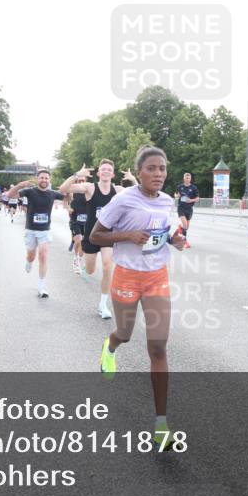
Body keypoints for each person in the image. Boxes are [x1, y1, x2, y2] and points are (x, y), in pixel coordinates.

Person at [90, 146, 186, 450]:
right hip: (127, 276)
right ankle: (110, 345)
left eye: (162, 168)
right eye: (151, 168)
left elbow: (165, 233)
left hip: (157, 276)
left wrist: (175, 239)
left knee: (158, 346)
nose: (158, 174)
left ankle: (161, 426)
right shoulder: (124, 200)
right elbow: (95, 236)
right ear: (139, 171)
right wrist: (127, 235)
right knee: (125, 333)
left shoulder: (168, 201)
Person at [58, 160, 137, 319]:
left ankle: (103, 305)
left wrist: (133, 179)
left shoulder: (118, 190)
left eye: (109, 169)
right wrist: (77, 175)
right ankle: (83, 263)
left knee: (108, 265)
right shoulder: (89, 187)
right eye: (103, 169)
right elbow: (63, 189)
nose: (106, 171)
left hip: (109, 234)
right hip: (91, 235)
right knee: (91, 270)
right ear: (99, 173)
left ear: (112, 174)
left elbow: (139, 194)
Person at [7, 170, 65, 297]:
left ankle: (41, 286)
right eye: (41, 178)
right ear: (37, 179)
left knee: (43, 255)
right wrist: (20, 185)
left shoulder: (53, 193)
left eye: (46, 178)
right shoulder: (30, 191)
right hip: (31, 230)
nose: (44, 180)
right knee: (31, 256)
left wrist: (69, 187)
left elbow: (68, 197)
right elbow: (10, 195)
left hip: (45, 231)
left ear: (49, 180)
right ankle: (29, 261)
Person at [67, 177, 87, 274]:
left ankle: (79, 259)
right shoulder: (72, 192)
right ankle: (75, 258)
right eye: (79, 181)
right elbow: (65, 200)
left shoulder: (89, 192)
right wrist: (68, 208)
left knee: (84, 243)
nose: (81, 182)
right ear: (76, 182)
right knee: (79, 239)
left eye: (83, 180)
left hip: (87, 222)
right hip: (75, 220)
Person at [173, 172, 199, 248]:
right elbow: (175, 195)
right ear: (184, 178)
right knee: (185, 225)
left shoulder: (194, 188)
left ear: (190, 179)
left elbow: (197, 198)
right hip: (181, 208)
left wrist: (191, 200)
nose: (187, 179)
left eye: (189, 178)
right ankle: (184, 242)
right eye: (186, 178)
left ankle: (180, 228)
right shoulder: (179, 187)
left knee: (186, 227)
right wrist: (176, 196)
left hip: (189, 209)